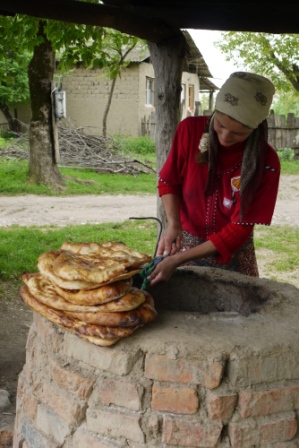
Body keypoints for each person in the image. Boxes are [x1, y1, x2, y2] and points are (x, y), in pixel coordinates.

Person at [148, 71, 280, 286]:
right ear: (215, 112)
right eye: (220, 125)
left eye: (239, 133)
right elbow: (169, 182)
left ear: (255, 128)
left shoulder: (266, 162)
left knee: (239, 312)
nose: (226, 137)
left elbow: (240, 228)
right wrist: (173, 225)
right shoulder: (189, 131)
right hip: (186, 240)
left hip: (234, 251)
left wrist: (178, 259)